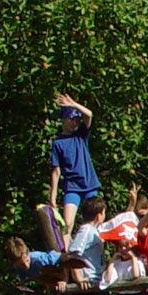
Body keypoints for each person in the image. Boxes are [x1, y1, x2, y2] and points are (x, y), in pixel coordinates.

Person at [47, 93, 98, 238]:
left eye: (77, 120)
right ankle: (67, 256)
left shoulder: (81, 134)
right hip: (72, 187)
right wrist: (53, 195)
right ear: (64, 120)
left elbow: (89, 115)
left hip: (89, 184)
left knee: (95, 223)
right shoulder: (57, 142)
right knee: (67, 224)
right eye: (72, 119)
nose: (75, 123)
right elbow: (56, 171)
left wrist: (73, 104)